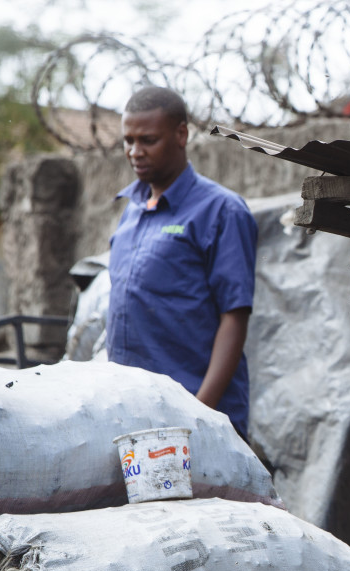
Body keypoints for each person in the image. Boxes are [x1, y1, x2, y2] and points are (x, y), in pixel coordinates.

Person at [107, 87, 258, 439]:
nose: (134, 151)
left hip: (194, 417)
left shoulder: (221, 211)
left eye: (148, 140)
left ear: (181, 134)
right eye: (128, 140)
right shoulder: (131, 210)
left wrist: (198, 415)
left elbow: (234, 316)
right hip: (131, 415)